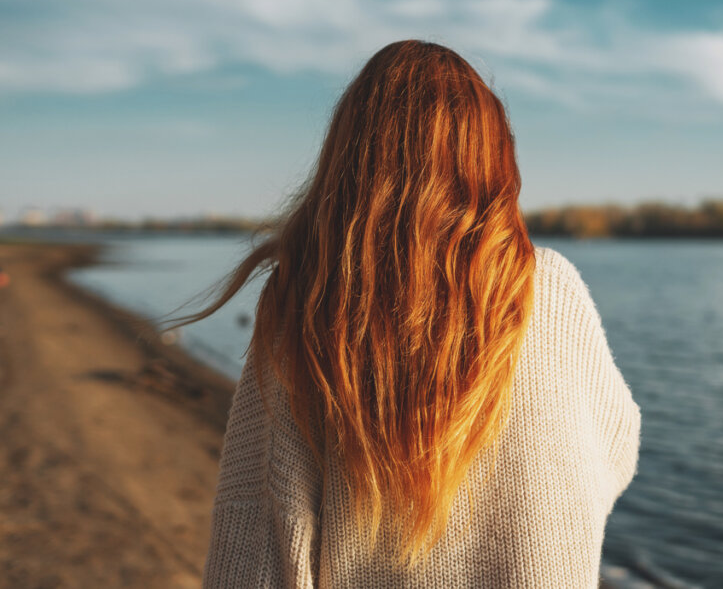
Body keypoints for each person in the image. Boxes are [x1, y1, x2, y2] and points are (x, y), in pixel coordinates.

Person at [172, 40, 641, 588]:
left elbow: (263, 536)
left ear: (352, 158)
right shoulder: (552, 289)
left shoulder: (308, 300)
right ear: (492, 159)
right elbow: (615, 446)